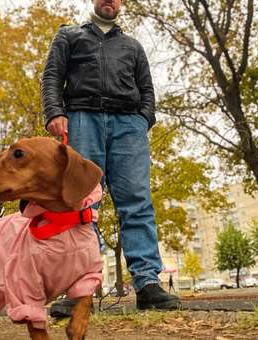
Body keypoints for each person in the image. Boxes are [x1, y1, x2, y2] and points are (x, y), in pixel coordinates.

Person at [41, 0, 181, 314]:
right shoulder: (70, 35)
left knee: (137, 200)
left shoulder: (132, 46)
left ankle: (147, 283)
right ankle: (80, 290)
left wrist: (143, 119)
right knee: (82, 203)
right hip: (82, 119)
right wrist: (54, 111)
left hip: (128, 123)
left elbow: (147, 89)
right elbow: (51, 77)